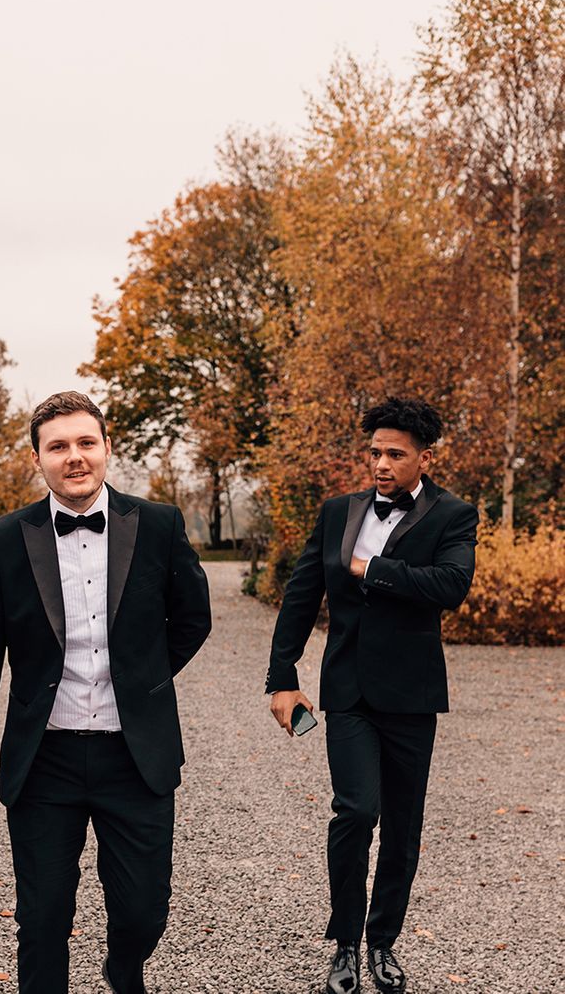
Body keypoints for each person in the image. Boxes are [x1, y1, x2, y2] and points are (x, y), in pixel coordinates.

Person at [0, 391, 211, 994]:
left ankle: (123, 968)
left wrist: (143, 677)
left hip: (134, 756)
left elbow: (194, 617)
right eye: (57, 446)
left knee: (144, 911)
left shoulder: (160, 525)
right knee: (40, 922)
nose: (74, 457)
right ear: (37, 458)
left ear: (107, 448)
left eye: (85, 443)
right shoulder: (7, 539)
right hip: (45, 762)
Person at [266, 397, 478, 994]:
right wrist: (281, 677)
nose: (381, 464)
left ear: (424, 458)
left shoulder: (454, 514)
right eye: (374, 453)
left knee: (403, 828)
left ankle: (384, 943)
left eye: (394, 454)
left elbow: (451, 585)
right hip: (350, 692)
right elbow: (301, 595)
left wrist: (370, 569)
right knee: (356, 811)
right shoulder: (339, 511)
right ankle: (346, 945)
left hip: (412, 696)